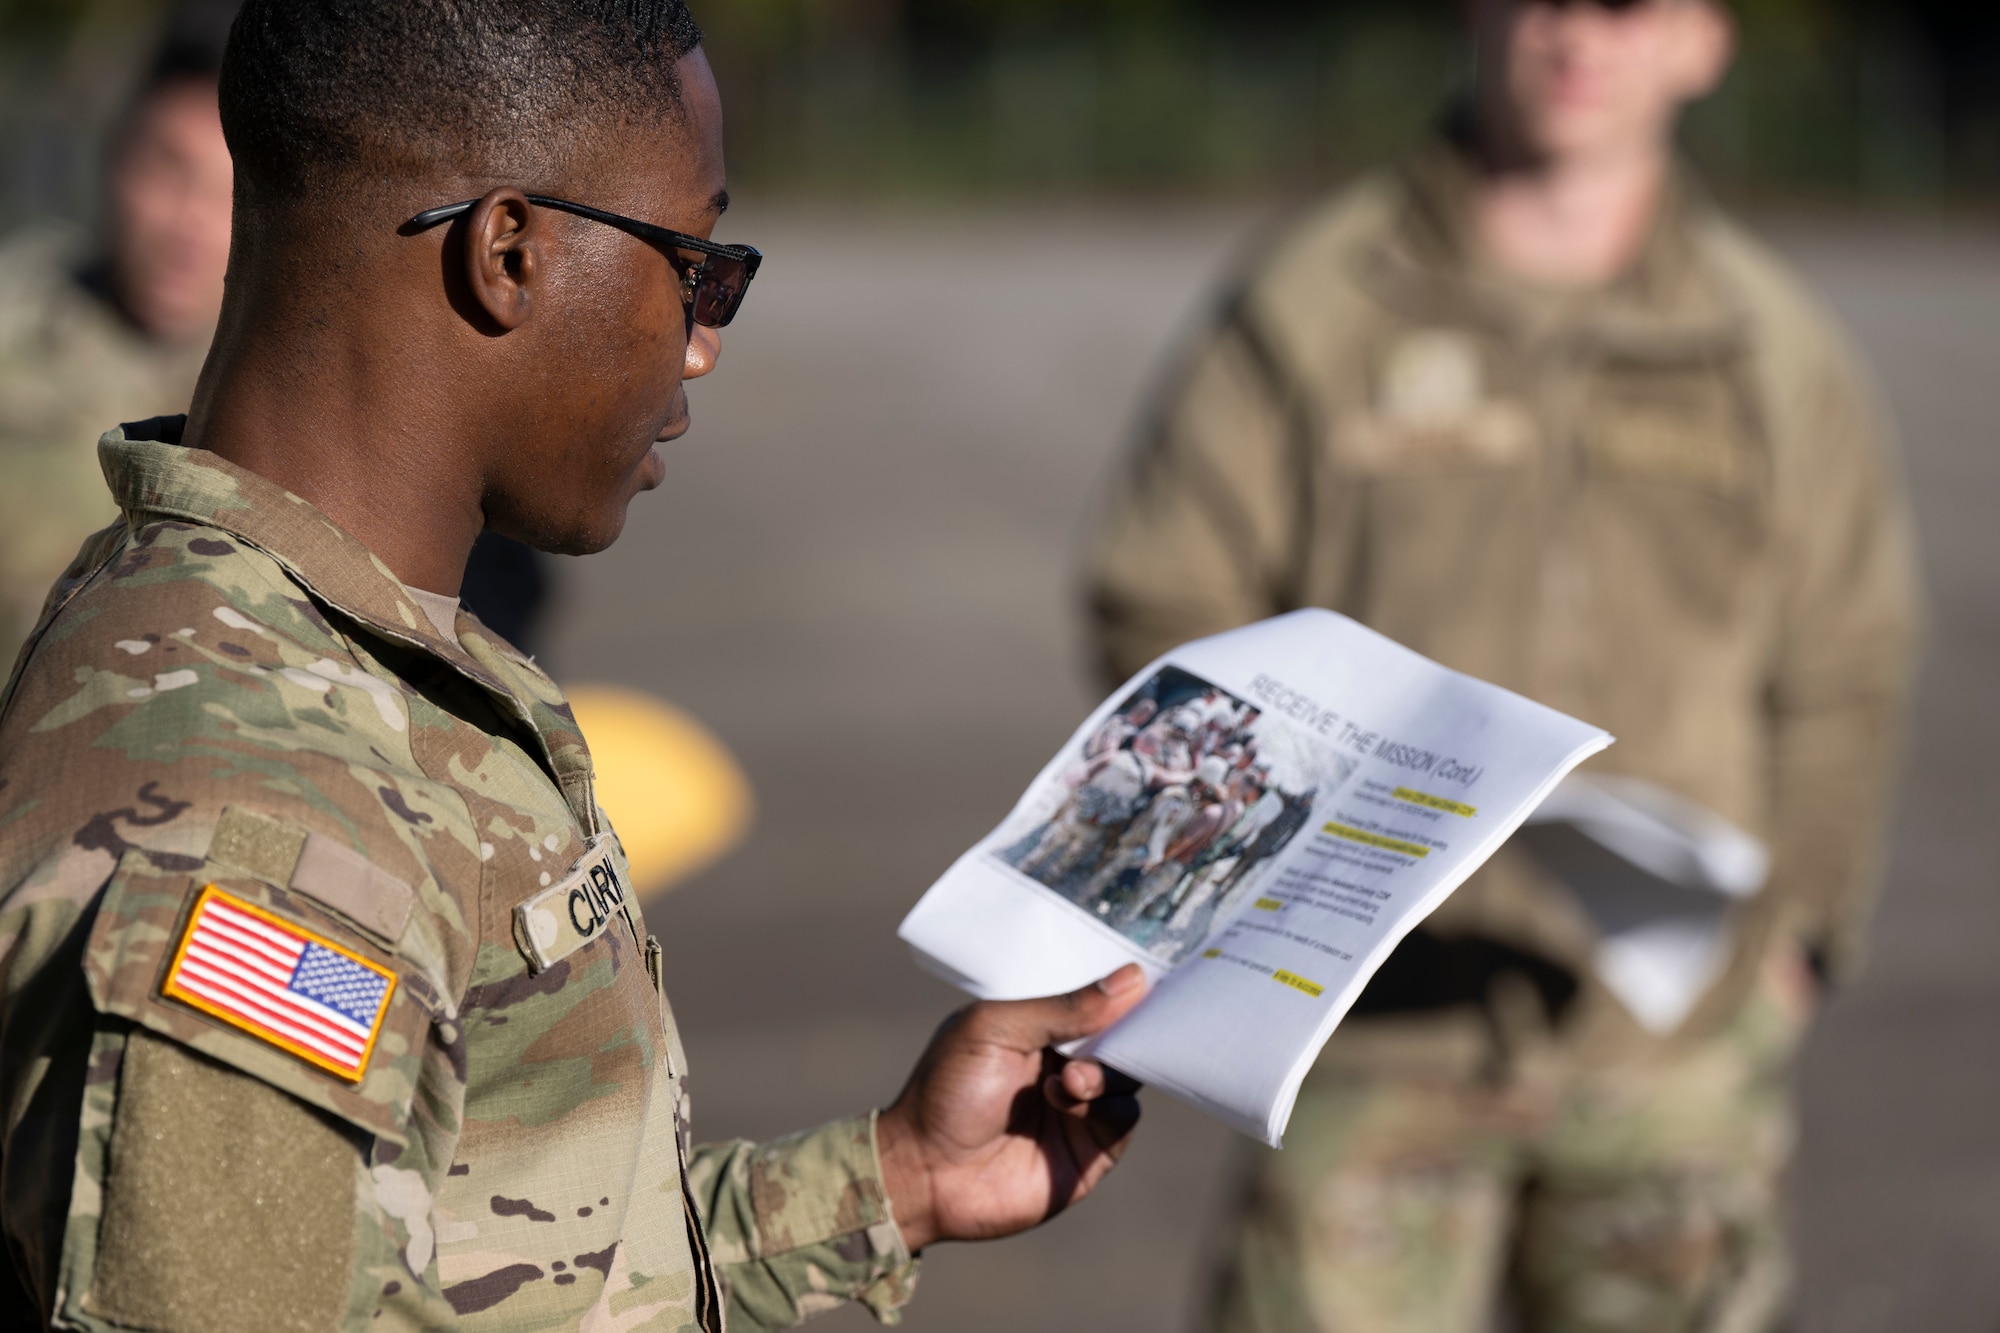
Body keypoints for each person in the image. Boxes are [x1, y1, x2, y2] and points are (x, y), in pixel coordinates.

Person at [0, 3, 1147, 1330]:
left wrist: (892, 1180)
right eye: (696, 268)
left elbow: (477, 1262)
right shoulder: (266, 834)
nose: (704, 341)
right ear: (510, 252)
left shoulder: (321, 648)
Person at [1086, 0, 1920, 1328]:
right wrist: (1266, 874)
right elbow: (1165, 600)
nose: (1576, 33)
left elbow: (1846, 661)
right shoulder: (1312, 303)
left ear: (1702, 40)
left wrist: (1800, 938)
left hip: (1675, 1047)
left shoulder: (1773, 347)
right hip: (1368, 1025)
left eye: (1628, 5)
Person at [0, 8, 233, 668]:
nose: (192, 224)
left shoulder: (279, 390)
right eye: (169, 169)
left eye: (229, 192)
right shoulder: (15, 324)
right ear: (115, 162)